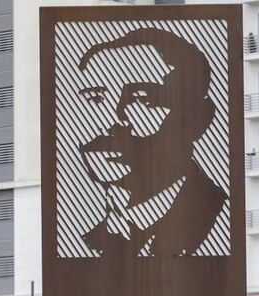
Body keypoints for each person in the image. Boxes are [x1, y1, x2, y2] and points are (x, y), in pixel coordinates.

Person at [74, 27, 226, 258]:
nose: (112, 121)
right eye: (95, 98)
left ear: (198, 118)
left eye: (142, 99)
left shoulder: (218, 224)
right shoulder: (84, 241)